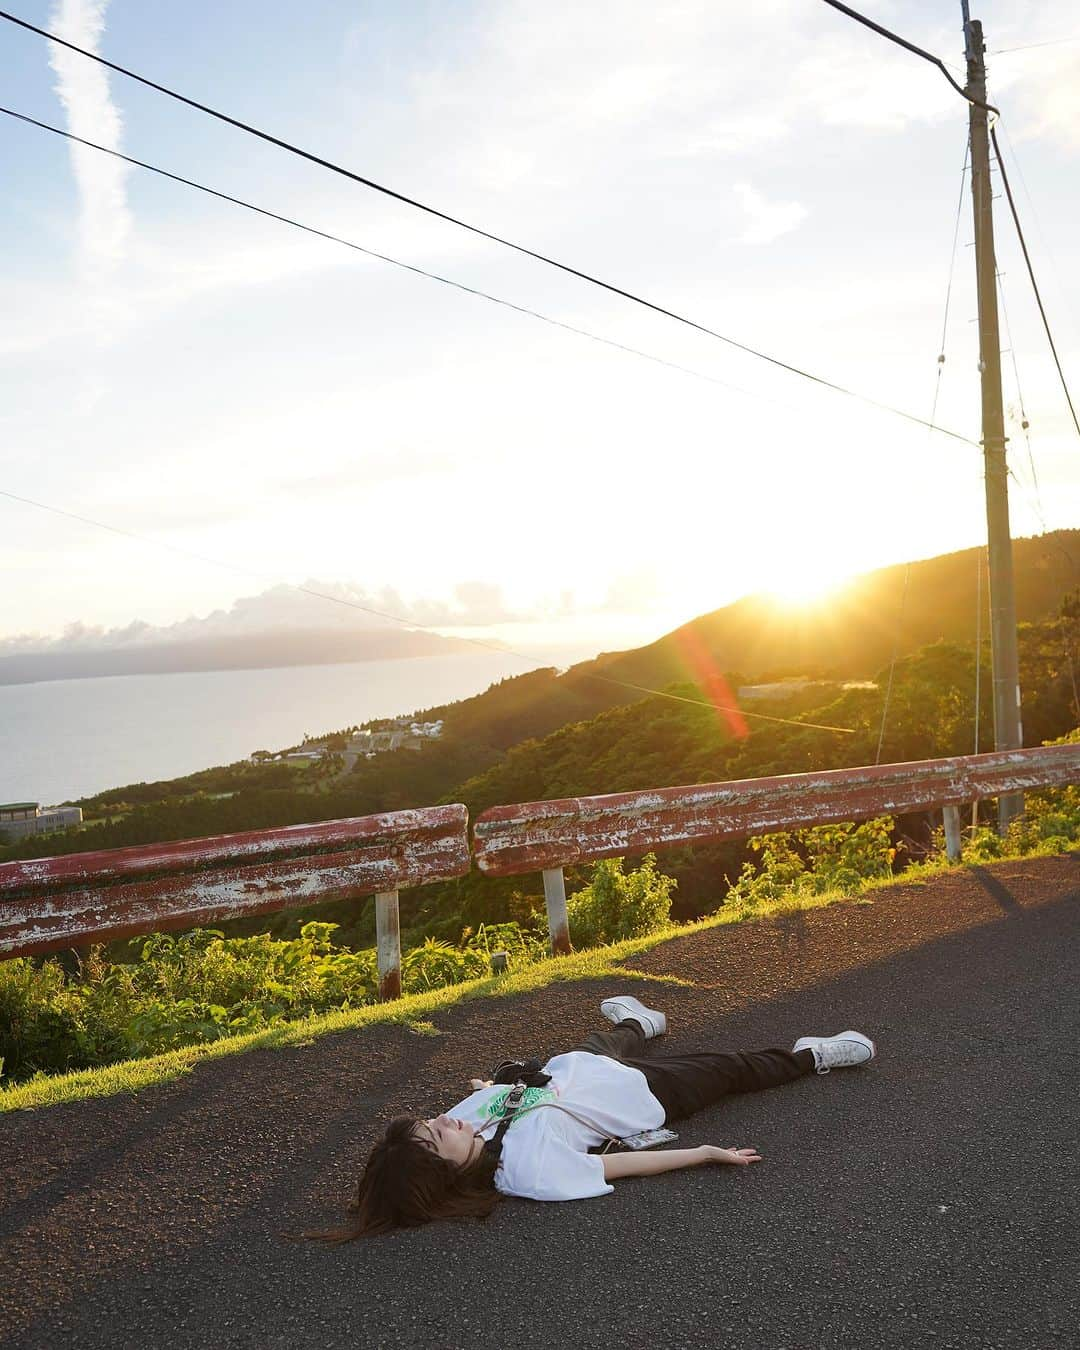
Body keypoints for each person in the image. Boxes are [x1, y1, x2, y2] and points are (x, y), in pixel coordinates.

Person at [319, 996, 875, 1240]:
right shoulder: (531, 1172)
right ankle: (814, 1055)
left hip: (578, 1066)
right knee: (732, 1068)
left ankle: (640, 1020)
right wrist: (706, 1154)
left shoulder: (463, 1125)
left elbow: (508, 1096)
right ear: (447, 1173)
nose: (447, 1121)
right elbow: (622, 1170)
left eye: (432, 1121)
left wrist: (490, 1090)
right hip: (643, 1095)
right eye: (439, 1135)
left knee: (610, 1039)